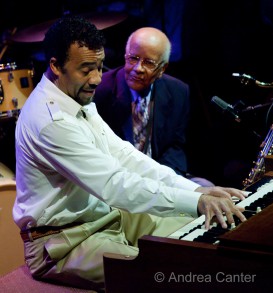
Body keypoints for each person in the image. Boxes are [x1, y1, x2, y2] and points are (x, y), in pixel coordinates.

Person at [13, 15, 247, 291]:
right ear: (55, 65)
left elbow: (125, 155)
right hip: (63, 242)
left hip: (107, 218)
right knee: (165, 274)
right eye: (86, 69)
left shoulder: (74, 96)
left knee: (199, 231)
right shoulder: (51, 121)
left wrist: (197, 193)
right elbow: (114, 185)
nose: (96, 79)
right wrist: (196, 201)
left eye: (99, 67)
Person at [94, 27, 214, 187]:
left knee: (207, 188)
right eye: (133, 58)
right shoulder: (100, 91)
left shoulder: (178, 91)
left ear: (162, 69)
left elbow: (174, 146)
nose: (138, 68)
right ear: (125, 56)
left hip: (161, 175)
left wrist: (168, 180)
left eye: (148, 62)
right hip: (118, 181)